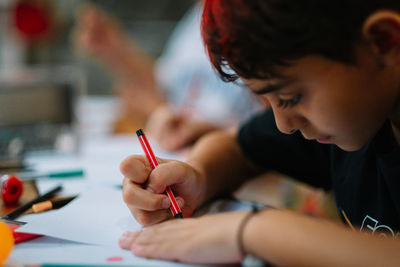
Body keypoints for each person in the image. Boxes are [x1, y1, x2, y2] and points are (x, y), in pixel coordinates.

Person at [118, 0, 400, 266]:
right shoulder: (355, 116)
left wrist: (251, 231)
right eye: (267, 100)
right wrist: (198, 176)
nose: (284, 124)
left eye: (290, 97)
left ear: (384, 42)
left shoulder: (350, 117)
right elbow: (239, 147)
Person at [73, 2, 262, 151]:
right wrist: (114, 49)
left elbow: (274, 132)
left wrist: (157, 111)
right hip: (175, 156)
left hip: (224, 173)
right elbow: (168, 86)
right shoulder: (199, 16)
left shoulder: (256, 18)